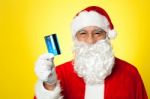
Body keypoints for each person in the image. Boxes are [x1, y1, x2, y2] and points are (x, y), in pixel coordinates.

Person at [34, 6, 148, 99]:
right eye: (83, 33)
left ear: (107, 36)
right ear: (75, 38)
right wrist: (49, 85)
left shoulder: (129, 73)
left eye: (97, 33)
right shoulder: (59, 74)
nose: (90, 40)